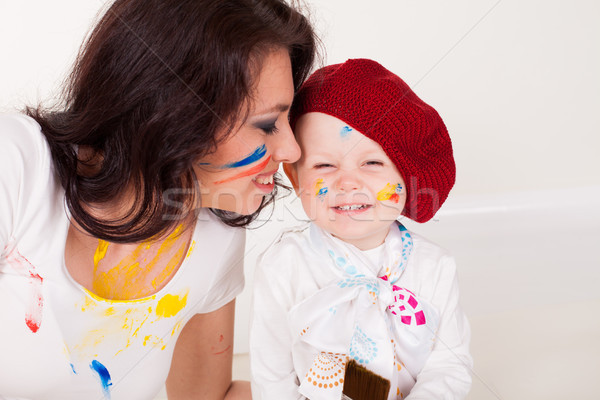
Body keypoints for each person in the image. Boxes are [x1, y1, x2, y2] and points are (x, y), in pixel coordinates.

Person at [0, 0, 316, 399]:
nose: (292, 150)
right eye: (268, 124)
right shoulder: (16, 165)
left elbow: (207, 397)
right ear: (177, 112)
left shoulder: (216, 235)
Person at [249, 59, 473, 399]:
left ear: (406, 176)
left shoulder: (435, 267)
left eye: (372, 163)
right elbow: (272, 377)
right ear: (295, 179)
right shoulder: (283, 266)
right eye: (324, 165)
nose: (348, 182)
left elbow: (448, 368)